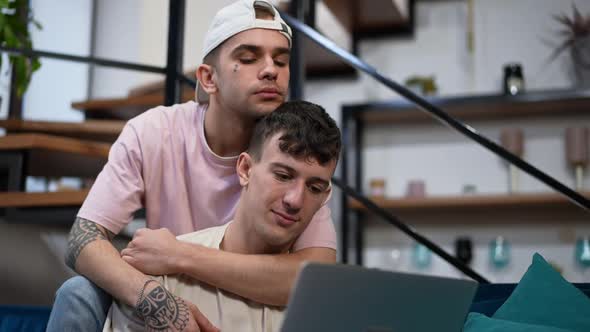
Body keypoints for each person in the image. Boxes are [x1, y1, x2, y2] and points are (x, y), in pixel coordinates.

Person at [46, 1, 337, 331]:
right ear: (208, 78)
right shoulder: (154, 133)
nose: (271, 69)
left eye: (281, 60)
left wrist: (179, 255)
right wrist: (156, 299)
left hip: (249, 297)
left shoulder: (292, 156)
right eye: (249, 58)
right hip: (173, 289)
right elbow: (82, 240)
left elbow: (315, 277)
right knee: (79, 293)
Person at [103, 100, 341, 332]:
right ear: (245, 169)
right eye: (283, 176)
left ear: (325, 196)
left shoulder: (328, 302)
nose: (295, 200)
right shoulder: (159, 280)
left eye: (315, 188)